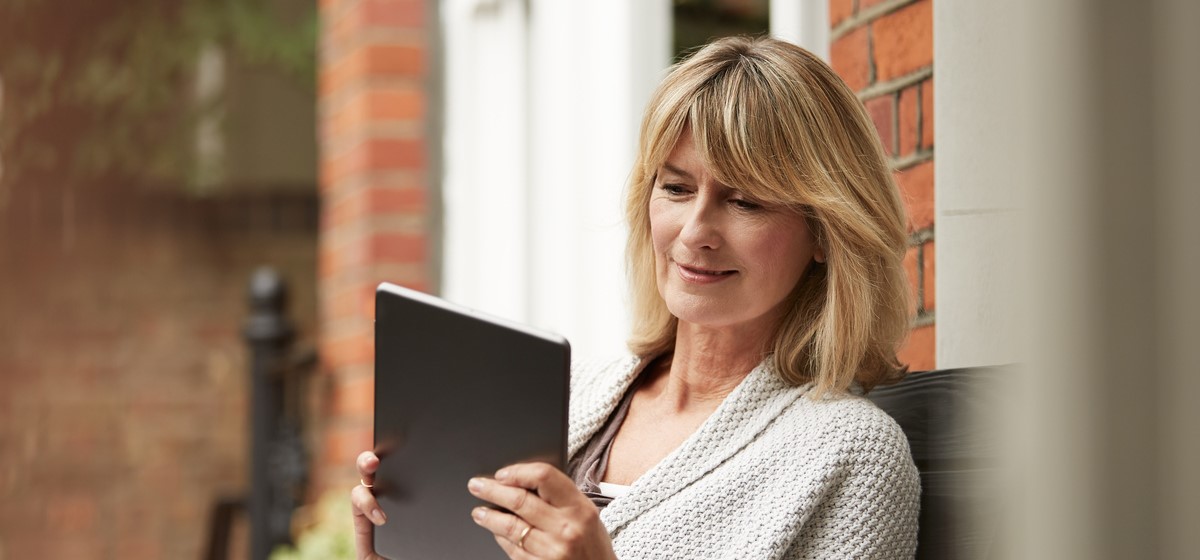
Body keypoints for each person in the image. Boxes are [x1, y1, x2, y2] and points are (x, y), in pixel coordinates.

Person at [351, 35, 919, 559]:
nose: (695, 231)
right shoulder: (567, 395)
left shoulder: (853, 456)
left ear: (824, 231)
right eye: (676, 188)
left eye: (745, 201)